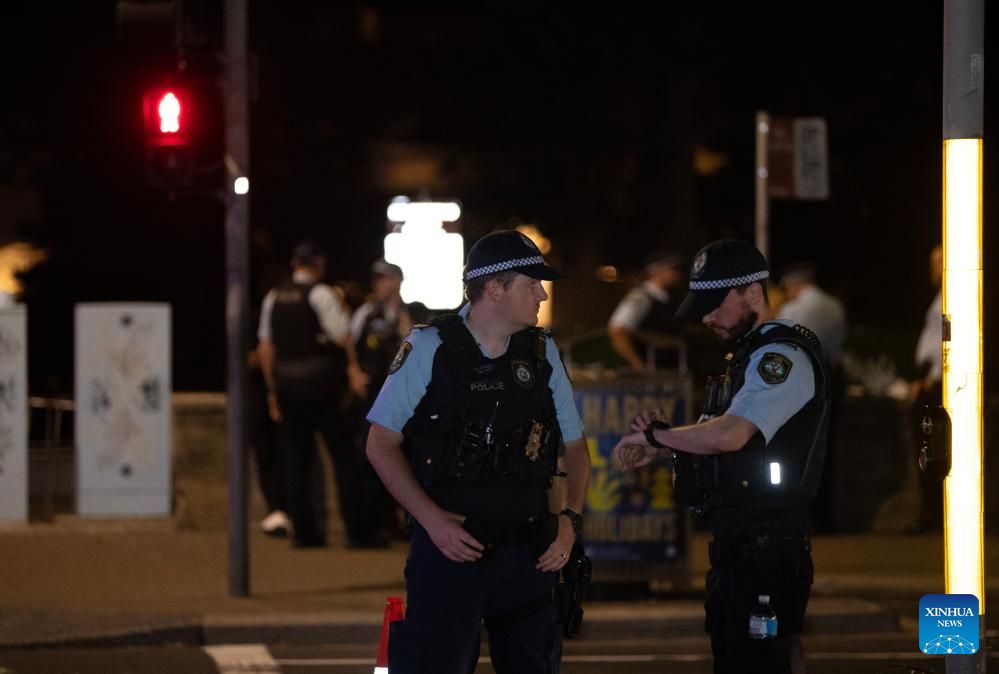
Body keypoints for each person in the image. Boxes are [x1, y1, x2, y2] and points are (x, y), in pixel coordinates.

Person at [366, 229, 591, 674]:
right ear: (494, 288)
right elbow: (380, 444)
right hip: (450, 551)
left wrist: (570, 522)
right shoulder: (430, 348)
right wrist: (432, 522)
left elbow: (576, 448)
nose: (542, 294)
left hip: (528, 554)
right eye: (531, 284)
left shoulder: (543, 354)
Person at [612, 238, 829, 674]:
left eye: (716, 303)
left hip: (767, 553)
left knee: (765, 663)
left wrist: (659, 436)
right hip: (741, 551)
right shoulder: (746, 359)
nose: (707, 316)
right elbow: (725, 447)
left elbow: (731, 435)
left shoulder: (779, 357)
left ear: (752, 292)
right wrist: (662, 446)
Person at [257, 239, 368, 548]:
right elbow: (343, 335)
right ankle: (357, 533)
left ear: (294, 264)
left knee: (296, 463)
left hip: (288, 389)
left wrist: (272, 391)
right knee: (343, 459)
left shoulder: (274, 298)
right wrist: (353, 369)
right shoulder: (321, 294)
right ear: (319, 263)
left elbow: (266, 348)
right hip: (323, 389)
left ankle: (305, 534)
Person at [777, 262, 847, 532]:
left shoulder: (793, 309)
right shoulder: (834, 306)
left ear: (793, 285)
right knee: (825, 449)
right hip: (830, 375)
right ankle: (825, 517)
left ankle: (798, 515)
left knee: (796, 447)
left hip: (801, 378)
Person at [349, 259, 412, 542]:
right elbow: (349, 343)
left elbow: (413, 343)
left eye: (385, 279)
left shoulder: (405, 313)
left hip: (400, 398)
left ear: (397, 281)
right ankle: (375, 522)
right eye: (377, 280)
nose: (379, 285)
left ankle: (399, 522)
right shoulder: (366, 312)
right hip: (373, 395)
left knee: (404, 460)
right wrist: (354, 372)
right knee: (370, 459)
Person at [909, 244, 943, 532]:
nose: (934, 270)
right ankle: (929, 513)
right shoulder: (939, 297)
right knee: (926, 447)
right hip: (929, 379)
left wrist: (931, 376)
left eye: (938, 263)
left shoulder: (953, 295)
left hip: (937, 382)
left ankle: (933, 515)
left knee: (933, 448)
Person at [607, 250, 686, 371]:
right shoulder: (641, 297)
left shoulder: (667, 298)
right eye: (673, 268)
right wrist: (639, 365)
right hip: (651, 376)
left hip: (668, 372)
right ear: (658, 270)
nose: (678, 274)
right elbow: (617, 331)